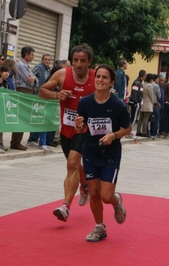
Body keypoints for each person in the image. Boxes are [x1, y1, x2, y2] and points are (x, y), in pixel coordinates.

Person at [74, 64, 131, 242]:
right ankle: (99, 227)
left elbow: (127, 128)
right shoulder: (85, 102)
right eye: (98, 76)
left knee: (106, 196)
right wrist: (78, 125)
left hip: (110, 155)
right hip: (90, 152)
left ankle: (116, 202)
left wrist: (113, 135)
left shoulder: (117, 105)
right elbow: (82, 127)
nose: (100, 80)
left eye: (104, 77)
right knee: (94, 192)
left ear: (112, 82)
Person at [38, 43, 95, 222]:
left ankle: (65, 206)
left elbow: (107, 99)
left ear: (89, 62)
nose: (78, 64)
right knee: (75, 165)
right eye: (76, 60)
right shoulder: (63, 74)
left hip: (84, 129)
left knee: (72, 164)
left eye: (83, 61)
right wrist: (57, 95)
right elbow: (42, 91)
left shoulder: (96, 77)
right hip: (66, 129)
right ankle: (84, 186)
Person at [11, 46, 37, 151]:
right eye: (31, 55)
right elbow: (29, 80)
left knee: (24, 117)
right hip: (22, 91)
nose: (32, 57)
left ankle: (17, 141)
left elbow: (35, 79)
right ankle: (15, 142)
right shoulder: (21, 65)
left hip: (28, 92)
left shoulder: (26, 66)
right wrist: (33, 79)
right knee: (21, 117)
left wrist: (34, 79)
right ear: (26, 54)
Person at [29, 54, 53, 151]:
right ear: (42, 60)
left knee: (40, 118)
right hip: (38, 96)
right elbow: (29, 74)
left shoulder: (49, 70)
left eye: (49, 60)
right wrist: (34, 83)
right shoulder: (39, 68)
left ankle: (33, 139)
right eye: (45, 59)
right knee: (39, 118)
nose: (47, 61)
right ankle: (37, 140)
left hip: (45, 97)